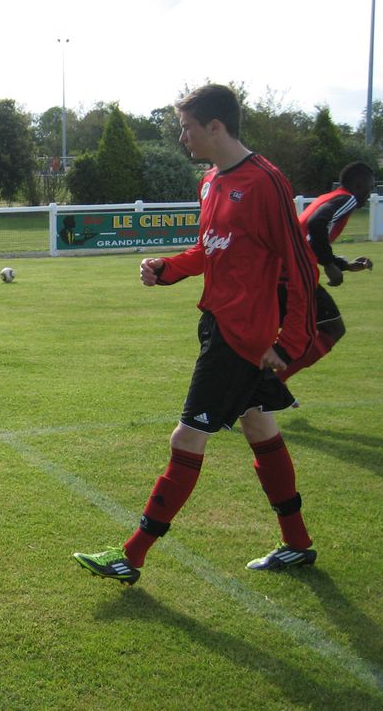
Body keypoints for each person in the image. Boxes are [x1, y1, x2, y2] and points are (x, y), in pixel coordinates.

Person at [73, 84, 319, 585]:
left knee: (187, 435)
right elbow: (210, 250)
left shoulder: (266, 182)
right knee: (258, 426)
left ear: (215, 127)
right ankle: (297, 544)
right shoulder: (210, 182)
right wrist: (168, 268)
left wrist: (290, 343)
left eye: (186, 127)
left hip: (242, 337)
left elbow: (302, 267)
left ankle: (131, 555)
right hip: (216, 323)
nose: (181, 136)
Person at [278, 161, 376, 381]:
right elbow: (316, 224)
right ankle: (270, 385)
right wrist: (330, 265)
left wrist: (342, 264)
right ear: (359, 184)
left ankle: (265, 384)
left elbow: (310, 240)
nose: (369, 195)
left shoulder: (328, 197)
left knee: (301, 333)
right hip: (292, 275)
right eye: (369, 189)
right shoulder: (348, 198)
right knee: (332, 329)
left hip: (283, 272)